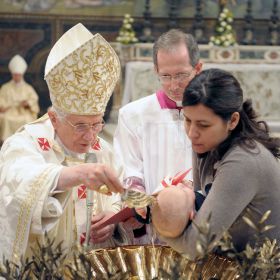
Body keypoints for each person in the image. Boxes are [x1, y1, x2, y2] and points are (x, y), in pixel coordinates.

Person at [0, 23, 131, 265]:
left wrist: (112, 217)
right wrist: (77, 173)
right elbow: (17, 181)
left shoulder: (103, 149)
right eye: (80, 126)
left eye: (97, 124)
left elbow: (120, 192)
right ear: (53, 118)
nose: (91, 136)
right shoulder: (26, 142)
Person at [157, 68, 280, 260]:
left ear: (232, 120)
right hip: (224, 262)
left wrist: (158, 219)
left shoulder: (243, 161)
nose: (192, 133)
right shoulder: (206, 143)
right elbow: (200, 213)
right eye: (188, 121)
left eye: (203, 125)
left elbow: (195, 247)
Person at [114, 29, 202, 243]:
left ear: (198, 69)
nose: (174, 85)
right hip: (152, 227)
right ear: (156, 70)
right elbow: (128, 166)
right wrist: (137, 199)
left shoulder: (212, 114)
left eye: (181, 75)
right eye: (165, 76)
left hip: (200, 222)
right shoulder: (133, 114)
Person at [0, 54, 40, 142]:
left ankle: (26, 143)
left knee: (27, 119)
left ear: (22, 75)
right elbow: (1, 100)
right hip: (9, 112)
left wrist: (27, 103)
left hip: (23, 112)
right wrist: (3, 106)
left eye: (18, 75)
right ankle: (6, 144)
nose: (17, 77)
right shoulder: (5, 87)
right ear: (12, 75)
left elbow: (33, 101)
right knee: (5, 118)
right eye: (15, 75)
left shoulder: (28, 88)